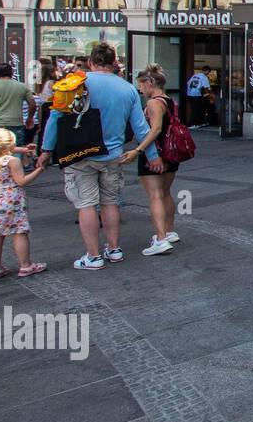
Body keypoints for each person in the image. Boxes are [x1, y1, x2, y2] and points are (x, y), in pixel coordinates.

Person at [36, 41, 163, 271]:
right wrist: (152, 155)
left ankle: (93, 256)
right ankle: (114, 249)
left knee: (86, 205)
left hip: (80, 154)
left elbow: (54, 120)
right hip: (114, 155)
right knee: (111, 202)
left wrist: (46, 151)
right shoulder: (127, 89)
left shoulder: (75, 83)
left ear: (91, 62)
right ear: (114, 63)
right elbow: (141, 128)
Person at [133, 64, 181, 256]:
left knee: (155, 195)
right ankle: (169, 231)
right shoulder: (170, 101)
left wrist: (138, 150)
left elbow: (155, 130)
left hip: (156, 153)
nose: (140, 89)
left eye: (142, 84)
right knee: (165, 193)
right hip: (172, 152)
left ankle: (160, 238)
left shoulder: (153, 103)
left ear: (150, 82)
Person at [0, 128, 45, 280]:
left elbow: (5, 148)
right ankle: (26, 265)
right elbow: (21, 181)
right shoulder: (12, 161)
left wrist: (24, 149)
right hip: (12, 201)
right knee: (19, 232)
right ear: (8, 145)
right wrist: (39, 170)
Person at [0, 63, 38, 149]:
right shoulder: (22, 87)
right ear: (12, 73)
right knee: (16, 148)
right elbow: (32, 104)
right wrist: (29, 118)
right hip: (16, 123)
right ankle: (15, 162)